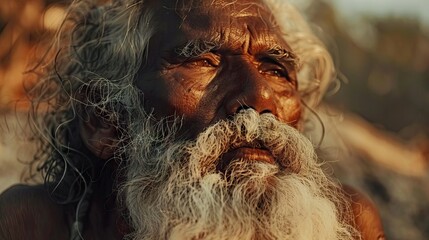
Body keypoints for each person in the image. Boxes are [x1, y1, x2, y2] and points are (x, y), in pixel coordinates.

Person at [0, 0, 385, 239]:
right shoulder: (33, 225)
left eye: (275, 70)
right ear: (104, 118)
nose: (259, 97)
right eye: (203, 61)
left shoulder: (348, 226)